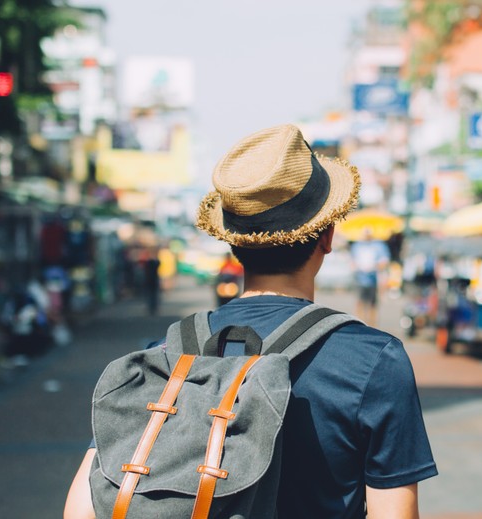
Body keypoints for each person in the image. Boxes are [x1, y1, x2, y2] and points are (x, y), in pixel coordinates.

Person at [65, 125, 437, 519]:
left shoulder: (166, 355)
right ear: (327, 236)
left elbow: (79, 510)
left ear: (233, 241)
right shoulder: (373, 361)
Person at [350, 228, 390, 327]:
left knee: (372, 304)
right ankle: (358, 325)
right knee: (360, 302)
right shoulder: (357, 246)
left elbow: (384, 261)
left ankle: (372, 325)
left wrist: (374, 266)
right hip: (360, 278)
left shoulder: (378, 246)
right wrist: (358, 267)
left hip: (373, 279)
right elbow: (352, 261)